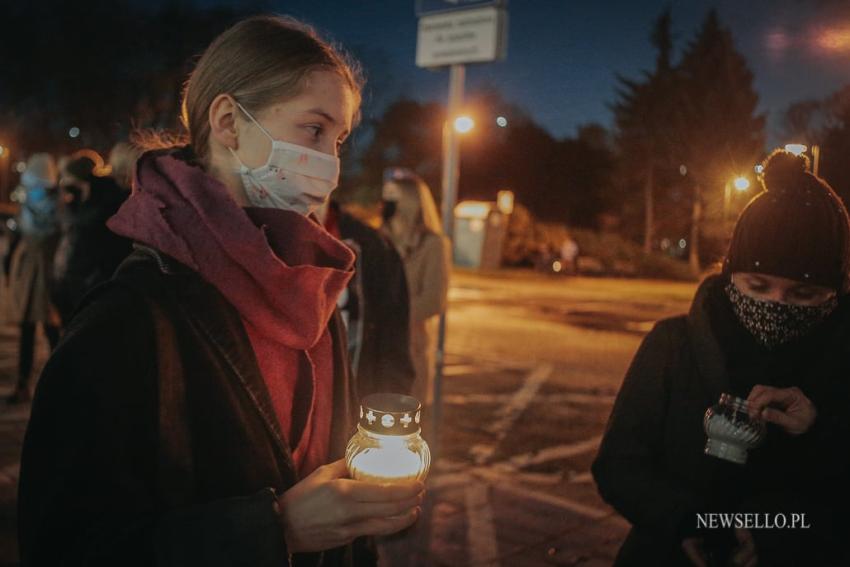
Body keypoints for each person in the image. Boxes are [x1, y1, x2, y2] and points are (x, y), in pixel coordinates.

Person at [19, 15, 423, 566]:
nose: (331, 161)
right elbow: (65, 545)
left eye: (339, 139)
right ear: (230, 122)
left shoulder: (313, 292)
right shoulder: (127, 319)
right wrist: (275, 529)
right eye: (313, 129)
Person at [592, 150, 850, 567]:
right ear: (731, 274)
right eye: (758, 285)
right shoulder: (673, 344)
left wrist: (819, 436)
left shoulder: (841, 364)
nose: (776, 305)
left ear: (834, 295)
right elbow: (619, 466)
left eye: (804, 294)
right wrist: (686, 522)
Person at [323, 197, 416, 399]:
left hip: (357, 396)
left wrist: (390, 411)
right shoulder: (263, 237)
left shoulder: (373, 247)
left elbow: (392, 340)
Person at [382, 172, 450, 410]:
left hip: (410, 349)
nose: (385, 203)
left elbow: (434, 300)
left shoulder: (433, 245)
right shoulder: (379, 239)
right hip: (376, 350)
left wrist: (389, 318)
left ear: (409, 201)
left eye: (391, 197)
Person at [6, 154, 61, 404]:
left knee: (52, 329)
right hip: (30, 274)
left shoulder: (59, 206)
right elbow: (16, 241)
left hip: (47, 274)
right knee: (29, 329)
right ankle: (23, 383)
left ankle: (61, 381)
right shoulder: (27, 207)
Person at [51, 155, 132, 325]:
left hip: (92, 276)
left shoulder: (104, 196)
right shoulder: (88, 196)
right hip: (82, 275)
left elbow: (89, 227)